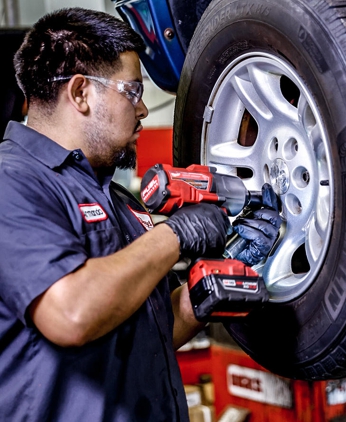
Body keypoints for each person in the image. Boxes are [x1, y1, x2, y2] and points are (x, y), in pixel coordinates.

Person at [0, 7, 281, 422]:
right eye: (132, 91)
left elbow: (159, 330)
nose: (145, 110)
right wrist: (175, 235)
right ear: (80, 93)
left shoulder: (117, 198)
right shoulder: (13, 182)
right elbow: (71, 313)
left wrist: (232, 262)